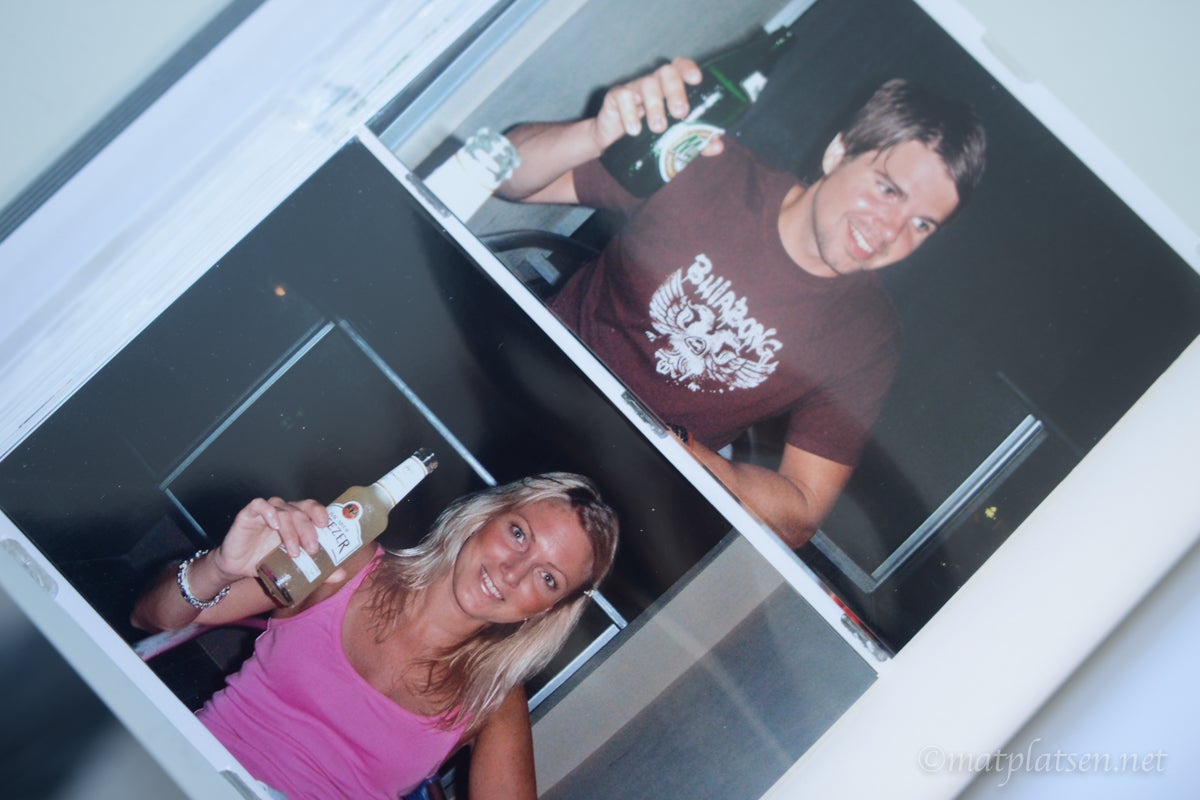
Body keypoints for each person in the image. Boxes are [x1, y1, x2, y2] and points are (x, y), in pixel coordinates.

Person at [497, 58, 986, 549]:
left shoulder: (868, 338)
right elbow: (506, 175)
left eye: (922, 224)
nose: (891, 230)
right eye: (887, 189)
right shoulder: (708, 169)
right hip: (518, 390)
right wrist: (596, 134)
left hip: (607, 503)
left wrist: (678, 450)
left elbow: (801, 511)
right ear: (838, 152)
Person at [131, 473, 619, 800]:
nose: (513, 571)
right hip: (180, 773)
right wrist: (220, 567)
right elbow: (151, 616)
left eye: (548, 578)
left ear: (547, 609)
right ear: (486, 516)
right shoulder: (345, 562)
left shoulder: (493, 700)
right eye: (518, 534)